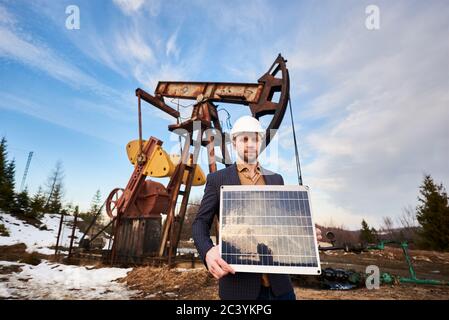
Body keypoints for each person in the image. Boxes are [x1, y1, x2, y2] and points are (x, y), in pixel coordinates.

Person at [192, 115, 322, 300]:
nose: (250, 144)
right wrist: (207, 251)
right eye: (244, 139)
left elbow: (282, 223)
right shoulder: (217, 180)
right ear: (234, 143)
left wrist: (304, 234)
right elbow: (199, 223)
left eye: (255, 138)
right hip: (239, 289)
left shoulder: (276, 179)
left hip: (280, 288)